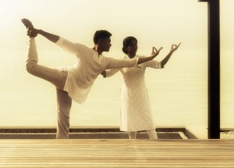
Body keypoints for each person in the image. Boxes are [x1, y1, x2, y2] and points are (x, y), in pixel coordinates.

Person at [22, 18, 162, 139]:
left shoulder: (106, 61)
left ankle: (61, 144)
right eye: (108, 41)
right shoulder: (83, 50)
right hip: (65, 78)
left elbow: (129, 62)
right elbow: (61, 42)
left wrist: (150, 57)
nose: (111, 44)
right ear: (100, 41)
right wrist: (39, 32)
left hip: (70, 88)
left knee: (64, 118)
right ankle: (31, 37)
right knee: (31, 67)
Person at [104, 36, 181, 139]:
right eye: (132, 45)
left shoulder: (143, 59)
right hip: (128, 95)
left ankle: (155, 143)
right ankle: (133, 145)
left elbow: (160, 64)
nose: (135, 47)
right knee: (130, 122)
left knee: (148, 120)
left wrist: (171, 52)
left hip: (141, 94)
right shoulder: (122, 61)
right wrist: (96, 66)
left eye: (136, 44)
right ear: (126, 48)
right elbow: (108, 74)